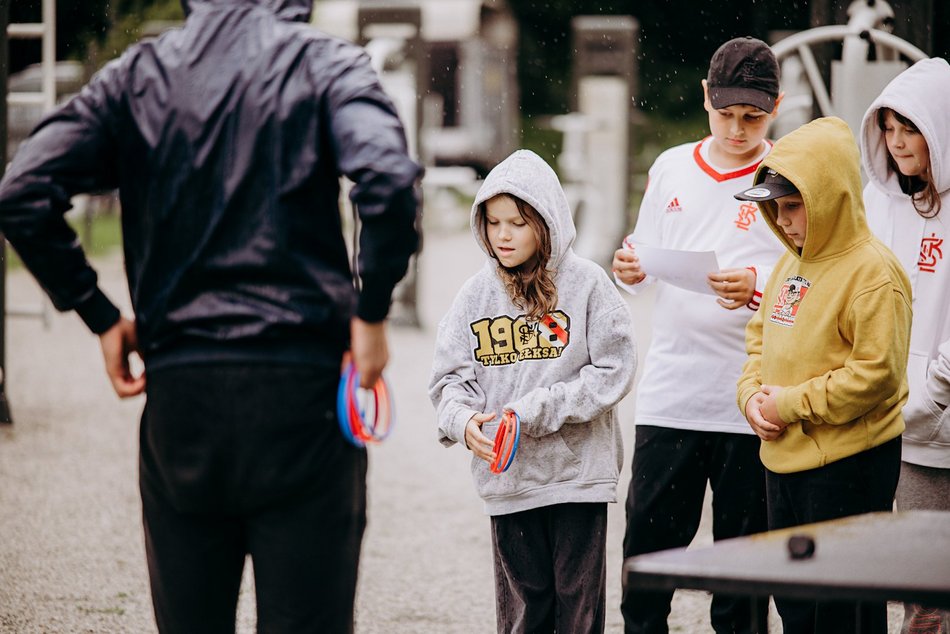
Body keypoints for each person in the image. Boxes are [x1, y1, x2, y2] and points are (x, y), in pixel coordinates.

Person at [0, 0, 421, 631]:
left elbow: (22, 191)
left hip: (182, 400)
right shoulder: (325, 64)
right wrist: (371, 312)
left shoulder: (137, 75)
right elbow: (387, 180)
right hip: (300, 400)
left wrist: (99, 312)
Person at [612, 36, 784, 634]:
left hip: (748, 400)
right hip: (671, 393)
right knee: (647, 562)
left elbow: (811, 270)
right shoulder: (671, 166)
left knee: (741, 580)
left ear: (777, 107)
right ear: (706, 97)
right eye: (726, 113)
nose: (738, 129)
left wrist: (755, 285)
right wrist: (629, 267)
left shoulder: (786, 175)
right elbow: (640, 253)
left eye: (753, 117)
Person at [429, 149, 636, 633]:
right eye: (494, 221)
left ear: (547, 221)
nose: (503, 235)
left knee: (577, 613)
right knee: (527, 613)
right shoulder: (474, 296)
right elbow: (448, 380)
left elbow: (614, 371)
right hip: (509, 482)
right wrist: (464, 422)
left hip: (577, 479)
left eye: (518, 223)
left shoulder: (588, 284)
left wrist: (533, 411)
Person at [736, 116, 912, 634]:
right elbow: (758, 339)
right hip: (783, 461)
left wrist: (788, 404)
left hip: (850, 464)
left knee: (844, 613)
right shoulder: (788, 265)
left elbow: (877, 375)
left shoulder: (873, 273)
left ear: (831, 195)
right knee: (795, 606)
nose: (783, 220)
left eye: (794, 205)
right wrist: (750, 398)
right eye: (774, 207)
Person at [860, 56, 950, 634]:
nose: (895, 142)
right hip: (887, 426)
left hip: (933, 422)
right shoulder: (876, 203)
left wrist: (933, 393)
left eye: (909, 128)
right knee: (912, 591)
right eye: (887, 128)